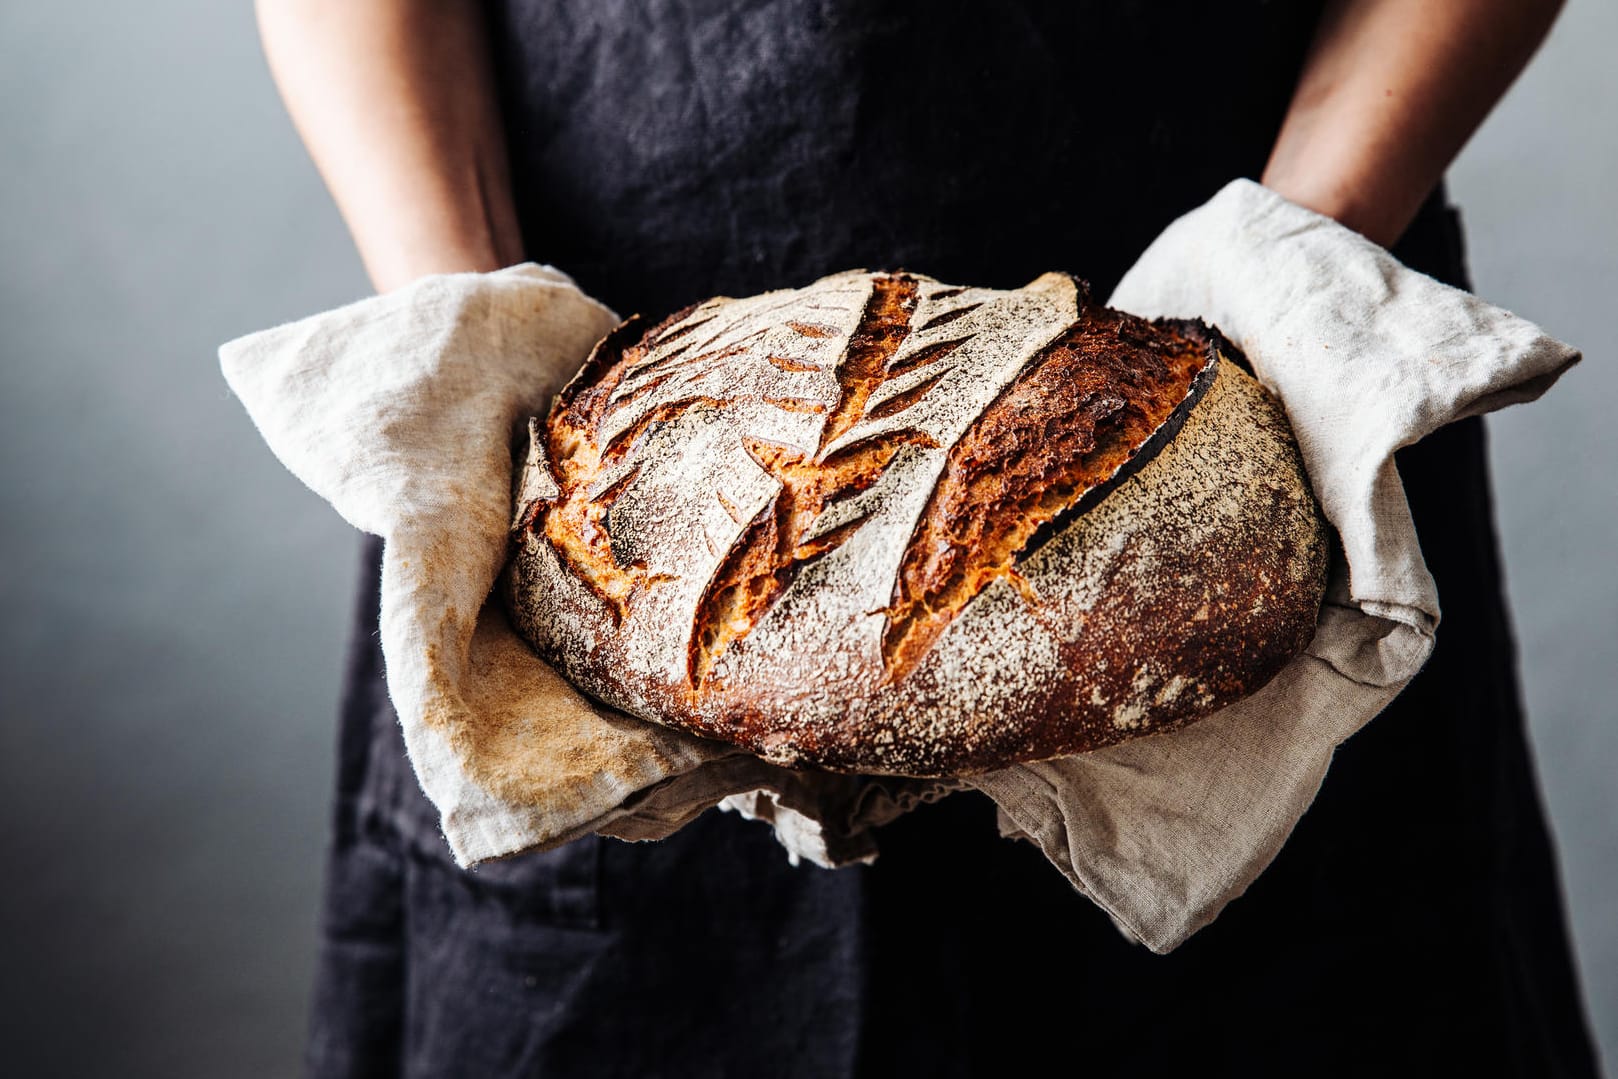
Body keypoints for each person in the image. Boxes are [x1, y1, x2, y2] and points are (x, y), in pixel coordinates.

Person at [256, 1, 1600, 1075]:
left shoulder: (1257, 375)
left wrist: (1296, 256)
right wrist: (479, 331)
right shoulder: (565, 462)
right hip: (614, 435)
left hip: (1260, 362)